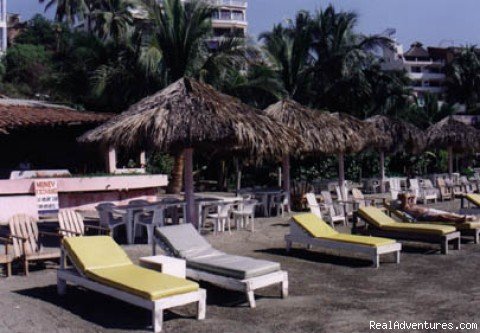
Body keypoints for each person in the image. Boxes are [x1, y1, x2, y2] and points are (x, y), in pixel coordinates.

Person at [398, 192, 475, 224]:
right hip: (424, 216)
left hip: (429, 211)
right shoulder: (404, 206)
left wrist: (410, 195)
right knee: (441, 217)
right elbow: (405, 196)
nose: (408, 199)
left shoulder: (412, 204)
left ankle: (467, 218)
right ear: (402, 199)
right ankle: (457, 220)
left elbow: (414, 196)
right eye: (406, 199)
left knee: (448, 213)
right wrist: (405, 195)